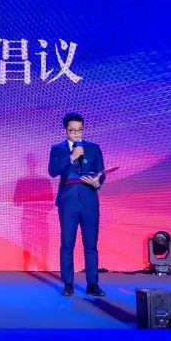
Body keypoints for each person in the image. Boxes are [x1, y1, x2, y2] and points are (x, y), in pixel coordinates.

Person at [48, 112, 106, 297]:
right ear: (65, 129)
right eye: (72, 130)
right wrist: (72, 157)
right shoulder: (57, 148)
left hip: (89, 201)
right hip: (68, 202)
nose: (76, 133)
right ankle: (68, 284)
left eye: (79, 130)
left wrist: (97, 182)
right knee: (67, 244)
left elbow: (101, 172)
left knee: (91, 244)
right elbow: (53, 171)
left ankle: (93, 284)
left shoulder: (94, 148)